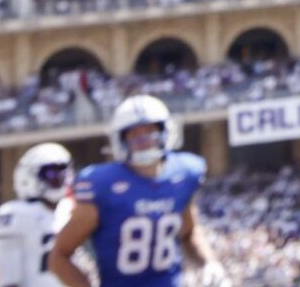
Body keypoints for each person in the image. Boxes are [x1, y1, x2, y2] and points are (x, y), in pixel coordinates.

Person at [48, 95, 227, 287]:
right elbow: (59, 256)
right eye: (134, 134)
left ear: (166, 131)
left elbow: (189, 232)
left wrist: (210, 263)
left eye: (150, 130)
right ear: (120, 139)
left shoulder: (184, 173)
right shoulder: (102, 184)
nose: (144, 139)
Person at [0, 143, 72, 287]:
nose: (58, 179)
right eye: (51, 174)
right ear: (29, 175)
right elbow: (9, 278)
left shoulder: (69, 209)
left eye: (62, 173)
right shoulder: (14, 213)